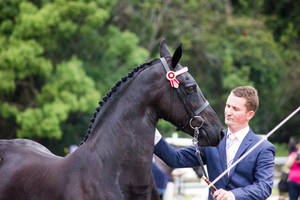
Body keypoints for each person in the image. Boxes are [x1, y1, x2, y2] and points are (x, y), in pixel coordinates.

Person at [154, 86, 276, 200]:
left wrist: (233, 195)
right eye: (228, 106)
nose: (228, 112)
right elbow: (176, 158)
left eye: (235, 109)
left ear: (249, 115)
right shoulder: (212, 140)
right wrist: (151, 132)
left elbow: (264, 187)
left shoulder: (263, 148)